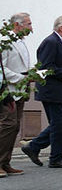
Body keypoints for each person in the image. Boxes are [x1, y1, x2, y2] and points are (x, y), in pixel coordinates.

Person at [23, 15, 62, 168]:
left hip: (61, 88)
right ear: (61, 28)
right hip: (51, 89)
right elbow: (46, 67)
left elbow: (56, 64)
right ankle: (55, 157)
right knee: (58, 123)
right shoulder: (51, 42)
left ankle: (34, 146)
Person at [1, 12, 33, 177]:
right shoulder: (5, 41)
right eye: (28, 24)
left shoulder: (20, 41)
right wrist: (20, 77)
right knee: (7, 125)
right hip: (8, 89)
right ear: (17, 25)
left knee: (14, 127)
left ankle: (5, 162)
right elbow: (2, 67)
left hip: (20, 88)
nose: (31, 28)